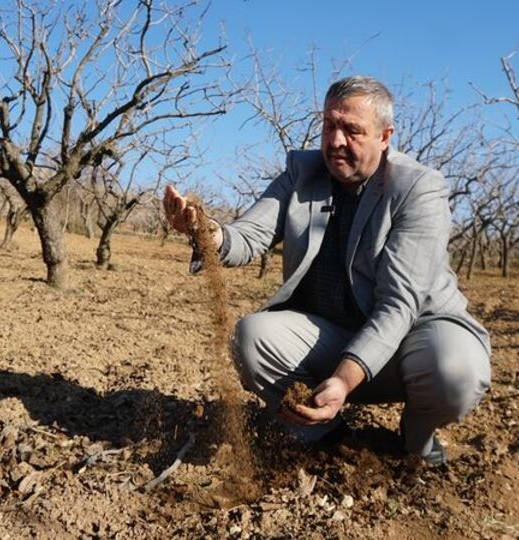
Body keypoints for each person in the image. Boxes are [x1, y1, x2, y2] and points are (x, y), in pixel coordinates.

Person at [164, 75, 490, 465]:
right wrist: (205, 231)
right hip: (332, 334)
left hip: (412, 339)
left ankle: (417, 438)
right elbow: (249, 236)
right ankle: (325, 437)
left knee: (456, 371)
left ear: (385, 137)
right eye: (329, 126)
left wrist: (345, 379)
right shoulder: (303, 172)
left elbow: (399, 305)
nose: (335, 141)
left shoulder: (417, 188)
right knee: (251, 337)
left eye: (352, 130)